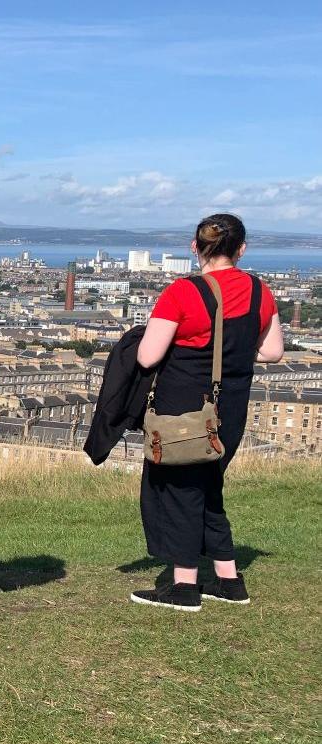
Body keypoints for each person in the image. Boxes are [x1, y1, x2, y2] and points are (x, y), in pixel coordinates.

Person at [129, 213, 284, 611]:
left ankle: (183, 587)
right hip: (230, 407)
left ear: (194, 248)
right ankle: (229, 580)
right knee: (209, 487)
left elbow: (148, 356)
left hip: (182, 408)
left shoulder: (182, 292)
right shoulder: (258, 291)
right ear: (242, 249)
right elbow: (272, 351)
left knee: (180, 491)